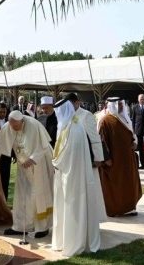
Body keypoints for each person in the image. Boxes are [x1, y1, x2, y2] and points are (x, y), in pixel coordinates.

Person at [0, 110, 54, 238]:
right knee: (22, 195)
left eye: (16, 126)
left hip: (39, 164)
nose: (14, 129)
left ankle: (43, 227)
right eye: (12, 126)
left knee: (39, 195)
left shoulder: (34, 125)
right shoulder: (8, 127)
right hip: (23, 165)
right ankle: (21, 226)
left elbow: (43, 146)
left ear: (22, 121)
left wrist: (32, 159)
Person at [51, 92, 105, 255]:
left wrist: (98, 157)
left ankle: (75, 239)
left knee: (75, 206)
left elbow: (91, 140)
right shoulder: (67, 125)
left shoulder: (75, 126)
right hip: (67, 175)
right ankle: (65, 238)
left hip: (73, 176)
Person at [98, 97, 142, 217]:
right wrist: (106, 158)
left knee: (129, 184)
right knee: (116, 186)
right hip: (115, 161)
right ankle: (115, 209)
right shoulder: (106, 120)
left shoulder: (125, 118)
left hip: (128, 160)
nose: (121, 106)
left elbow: (132, 135)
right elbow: (101, 141)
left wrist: (134, 142)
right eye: (119, 104)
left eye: (122, 104)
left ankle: (130, 208)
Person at [0, 102, 12, 200]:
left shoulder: (9, 122)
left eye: (4, 112)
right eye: (0, 112)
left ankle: (5, 200)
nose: (2, 114)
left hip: (7, 155)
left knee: (5, 179)